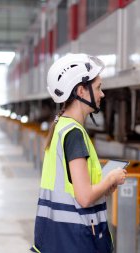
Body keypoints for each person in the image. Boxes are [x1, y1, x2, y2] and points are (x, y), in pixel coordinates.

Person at [30, 53, 127, 253]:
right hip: (75, 239)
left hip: (56, 237)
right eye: (98, 87)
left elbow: (73, 188)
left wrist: (104, 188)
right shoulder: (74, 134)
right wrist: (111, 178)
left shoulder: (62, 127)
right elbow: (84, 197)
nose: (102, 94)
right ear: (82, 91)